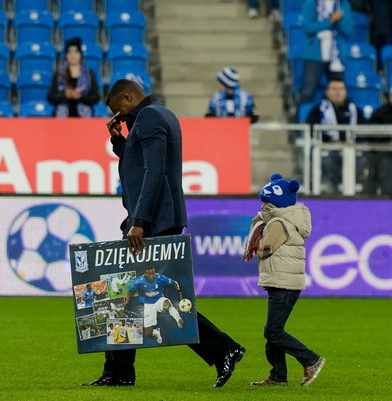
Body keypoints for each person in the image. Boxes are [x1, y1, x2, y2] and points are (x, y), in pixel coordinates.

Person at [83, 79, 245, 388]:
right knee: (125, 296)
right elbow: (142, 162)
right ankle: (118, 372)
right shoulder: (158, 114)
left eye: (119, 110)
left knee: (139, 295)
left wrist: (140, 220)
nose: (119, 116)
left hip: (154, 221)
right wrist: (120, 141)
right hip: (154, 218)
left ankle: (224, 348)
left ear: (128, 97)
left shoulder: (151, 117)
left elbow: (154, 172)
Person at [243, 173, 326, 387]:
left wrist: (255, 230)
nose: (262, 205)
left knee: (273, 331)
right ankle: (278, 376)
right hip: (284, 282)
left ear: (273, 202)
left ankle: (311, 360)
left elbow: (265, 250)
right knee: (273, 331)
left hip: (283, 283)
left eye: (265, 201)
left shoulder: (278, 223)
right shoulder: (285, 219)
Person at [305, 78, 367, 192]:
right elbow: (310, 130)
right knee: (327, 159)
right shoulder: (318, 110)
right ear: (327, 92)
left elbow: (364, 131)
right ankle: (336, 186)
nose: (338, 92)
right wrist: (329, 139)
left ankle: (351, 186)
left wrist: (351, 141)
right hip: (328, 148)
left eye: (341, 89)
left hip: (351, 148)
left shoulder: (355, 110)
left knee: (362, 158)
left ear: (345, 92)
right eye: (334, 89)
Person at [298, 0, 354, 105]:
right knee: (308, 91)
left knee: (338, 93)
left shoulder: (343, 4)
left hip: (336, 56)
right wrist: (330, 21)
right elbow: (307, 27)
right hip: (314, 56)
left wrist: (338, 20)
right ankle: (300, 120)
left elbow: (349, 31)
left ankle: (339, 119)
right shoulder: (312, 3)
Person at [125, 267, 185, 344]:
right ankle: (156, 332)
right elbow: (130, 291)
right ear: (145, 274)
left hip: (159, 300)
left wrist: (178, 292)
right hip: (148, 305)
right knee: (148, 333)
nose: (152, 275)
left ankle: (178, 319)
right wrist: (127, 303)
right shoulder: (139, 281)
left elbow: (175, 283)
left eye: (153, 273)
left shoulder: (160, 278)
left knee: (167, 303)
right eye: (150, 274)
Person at [47, 37, 100, 118]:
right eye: (69, 53)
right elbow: (50, 97)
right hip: (62, 120)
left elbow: (96, 98)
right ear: (66, 55)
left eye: (76, 52)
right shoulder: (58, 74)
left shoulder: (89, 73)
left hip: (84, 120)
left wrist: (80, 96)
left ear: (80, 55)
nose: (73, 55)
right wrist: (64, 96)